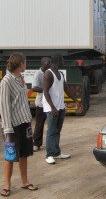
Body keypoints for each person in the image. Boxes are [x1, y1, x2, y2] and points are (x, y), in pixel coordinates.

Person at [0, 53, 38, 197]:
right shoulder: (6, 81)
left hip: (24, 122)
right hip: (12, 125)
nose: (26, 65)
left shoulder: (20, 78)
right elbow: (3, 106)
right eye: (25, 62)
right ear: (21, 63)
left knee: (24, 154)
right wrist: (7, 128)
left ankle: (24, 181)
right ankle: (6, 185)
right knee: (10, 156)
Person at [43, 54, 82, 164]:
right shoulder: (48, 74)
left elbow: (67, 89)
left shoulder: (60, 74)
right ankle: (49, 154)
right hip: (52, 108)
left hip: (60, 107)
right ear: (58, 61)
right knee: (51, 131)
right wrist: (52, 108)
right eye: (63, 61)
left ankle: (57, 152)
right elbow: (45, 92)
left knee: (57, 131)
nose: (64, 63)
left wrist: (76, 101)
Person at [32, 57, 51, 152]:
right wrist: (45, 90)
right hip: (41, 104)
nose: (50, 64)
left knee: (51, 125)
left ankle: (51, 144)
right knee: (39, 124)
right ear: (43, 64)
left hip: (51, 103)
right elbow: (34, 88)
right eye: (48, 63)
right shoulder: (38, 74)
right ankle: (36, 143)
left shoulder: (50, 72)